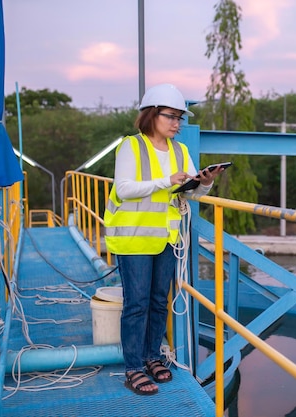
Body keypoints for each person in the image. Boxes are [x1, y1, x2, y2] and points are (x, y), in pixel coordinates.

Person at [104, 83, 225, 396]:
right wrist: (165, 181)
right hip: (133, 238)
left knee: (159, 302)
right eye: (171, 116)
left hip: (166, 239)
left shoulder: (180, 151)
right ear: (152, 115)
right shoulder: (131, 146)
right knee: (137, 304)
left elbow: (190, 193)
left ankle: (152, 357)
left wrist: (205, 183)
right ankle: (133, 367)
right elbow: (124, 189)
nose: (176, 124)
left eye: (179, 119)